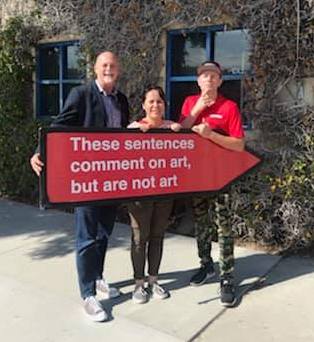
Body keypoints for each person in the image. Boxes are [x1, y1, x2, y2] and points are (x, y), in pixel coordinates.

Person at [30, 51, 130, 322]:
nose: (109, 69)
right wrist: (39, 152)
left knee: (103, 233)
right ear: (96, 69)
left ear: (118, 70)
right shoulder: (81, 94)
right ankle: (88, 295)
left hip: (112, 179)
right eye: (104, 65)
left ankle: (97, 278)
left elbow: (125, 137)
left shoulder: (121, 100)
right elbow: (58, 127)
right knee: (86, 237)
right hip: (87, 180)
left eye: (113, 65)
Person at [180, 61, 245, 307]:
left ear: (219, 81)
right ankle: (205, 265)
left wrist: (212, 135)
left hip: (222, 177)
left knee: (224, 227)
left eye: (213, 76)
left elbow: (238, 144)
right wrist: (196, 109)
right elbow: (180, 133)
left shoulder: (229, 107)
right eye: (204, 76)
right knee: (201, 223)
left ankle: (227, 277)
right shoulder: (189, 103)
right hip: (197, 176)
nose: (208, 79)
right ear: (198, 81)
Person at [127, 85, 181, 304]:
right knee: (140, 238)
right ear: (143, 105)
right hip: (139, 194)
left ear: (164, 105)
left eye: (159, 101)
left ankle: (153, 279)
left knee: (157, 236)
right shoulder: (133, 127)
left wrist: (181, 131)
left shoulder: (171, 127)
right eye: (151, 101)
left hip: (164, 190)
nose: (155, 105)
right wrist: (135, 136)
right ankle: (139, 284)